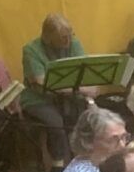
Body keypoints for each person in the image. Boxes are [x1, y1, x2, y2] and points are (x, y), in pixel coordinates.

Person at [20, 12, 92, 160]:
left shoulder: (74, 43)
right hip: (38, 99)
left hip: (69, 95)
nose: (68, 40)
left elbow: (83, 73)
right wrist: (80, 89)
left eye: (70, 35)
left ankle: (84, 159)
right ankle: (59, 164)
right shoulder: (31, 50)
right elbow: (43, 84)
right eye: (63, 37)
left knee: (85, 118)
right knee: (56, 124)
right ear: (48, 38)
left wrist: (87, 89)